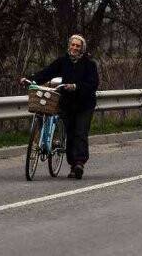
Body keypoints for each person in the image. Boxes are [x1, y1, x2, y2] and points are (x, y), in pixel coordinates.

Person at [21, 34, 99, 179]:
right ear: (69, 46)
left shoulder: (89, 64)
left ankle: (79, 163)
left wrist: (76, 86)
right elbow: (48, 72)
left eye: (78, 46)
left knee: (80, 132)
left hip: (84, 104)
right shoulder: (63, 61)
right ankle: (72, 164)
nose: (75, 48)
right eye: (73, 45)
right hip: (67, 103)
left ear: (82, 48)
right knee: (69, 133)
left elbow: (93, 83)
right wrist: (31, 79)